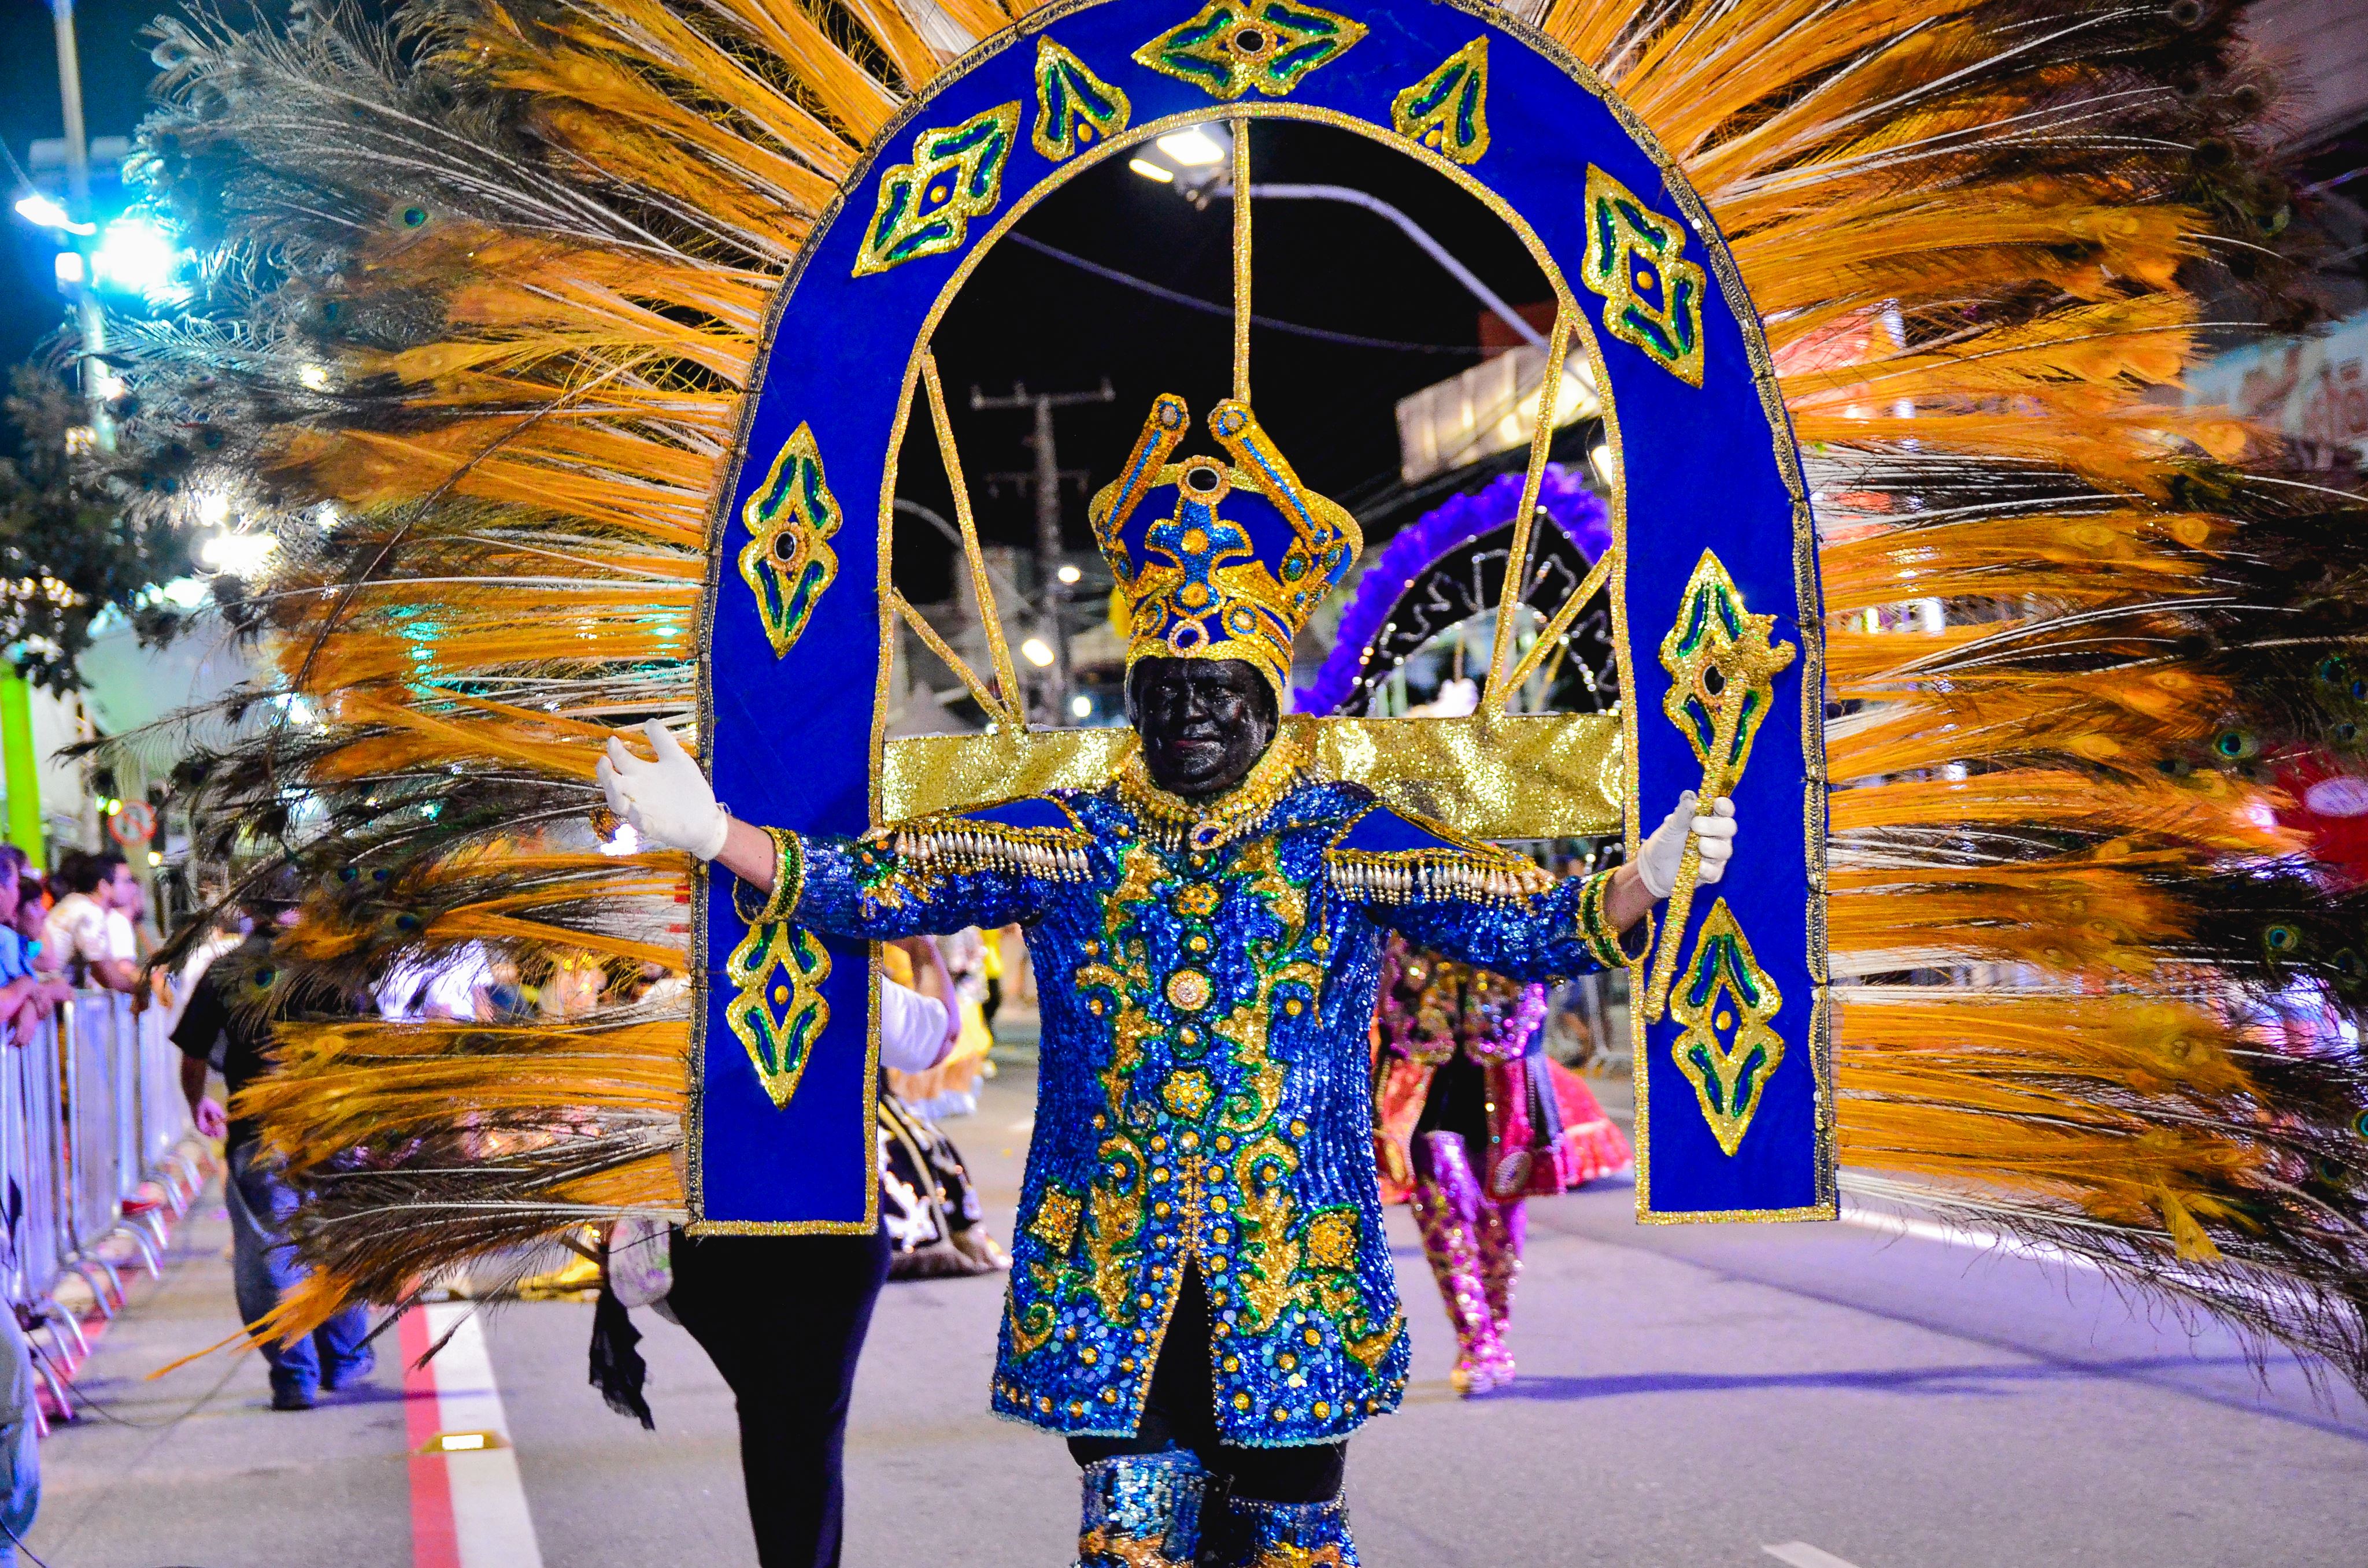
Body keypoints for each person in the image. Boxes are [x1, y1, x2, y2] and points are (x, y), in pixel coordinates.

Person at [601, 396, 1738, 1566]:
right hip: (1109, 1275)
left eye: (1221, 688)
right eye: (1165, 689)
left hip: (1294, 1278)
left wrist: (1642, 880)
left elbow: (1527, 925)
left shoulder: (1339, 835)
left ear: (1268, 695)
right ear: (1134, 697)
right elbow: (883, 884)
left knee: (1289, 1543)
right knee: (1130, 1543)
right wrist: (717, 833)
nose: (1191, 713)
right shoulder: (1072, 834)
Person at [658, 968, 961, 1567]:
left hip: (716, 1238)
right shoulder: (857, 979)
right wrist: (924, 946)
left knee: (773, 1419)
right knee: (806, 1430)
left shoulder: (679, 986)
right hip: (829, 1233)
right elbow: (941, 1038)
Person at [1371, 936, 1631, 1395]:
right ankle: (1475, 1340)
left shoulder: (1519, 893)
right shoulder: (1403, 895)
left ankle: (1494, 1326)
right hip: (1426, 1079)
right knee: (1440, 1201)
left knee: (1503, 1212)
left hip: (1504, 1077)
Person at [173, 873, 375, 1411]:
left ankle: (295, 1374)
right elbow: (371, 1042)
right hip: (332, 1120)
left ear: (251, 909)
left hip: (260, 1129)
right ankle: (345, 1357)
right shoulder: (332, 965)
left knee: (271, 1251)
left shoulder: (227, 970)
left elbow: (194, 1054)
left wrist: (199, 1102)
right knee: (338, 1237)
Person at [42, 851, 138, 994]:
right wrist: (144, 990)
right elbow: (105, 975)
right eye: (126, 881)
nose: (132, 888)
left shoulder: (75, 903)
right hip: (45, 992)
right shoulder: (89, 912)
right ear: (104, 886)